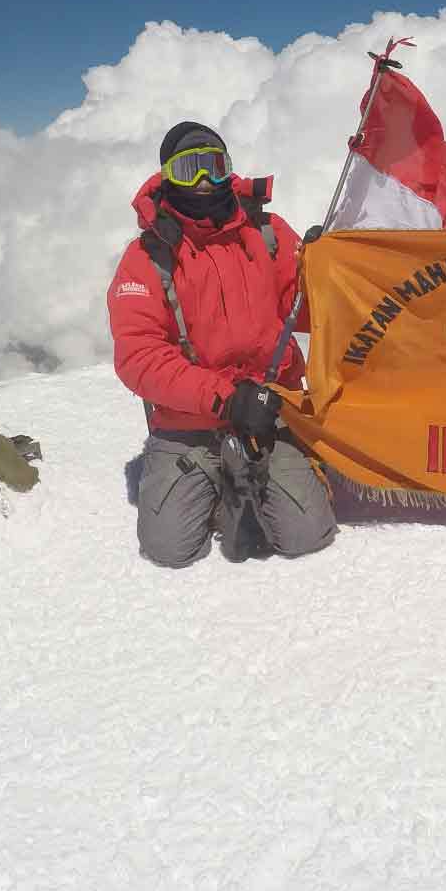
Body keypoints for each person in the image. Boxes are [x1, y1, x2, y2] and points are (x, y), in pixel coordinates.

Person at [107, 121, 337, 567]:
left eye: (213, 166)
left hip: (271, 412)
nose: (203, 181)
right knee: (170, 549)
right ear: (166, 177)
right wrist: (227, 401)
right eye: (187, 169)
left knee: (308, 535)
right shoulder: (147, 257)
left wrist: (325, 270)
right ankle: (220, 483)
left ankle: (275, 470)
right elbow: (139, 356)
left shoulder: (268, 233)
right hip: (188, 423)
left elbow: (305, 311)